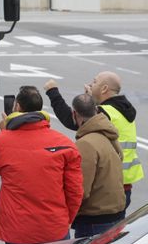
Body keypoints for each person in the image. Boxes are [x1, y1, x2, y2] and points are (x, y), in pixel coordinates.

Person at [0, 85, 83, 244]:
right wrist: (64, 220)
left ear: (17, 107)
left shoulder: (2, 141)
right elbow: (75, 191)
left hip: (18, 230)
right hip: (54, 228)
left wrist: (4, 132)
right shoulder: (64, 143)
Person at [45, 73, 143, 208]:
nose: (90, 84)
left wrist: (53, 92)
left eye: (95, 82)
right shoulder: (123, 109)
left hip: (108, 185)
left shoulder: (105, 112)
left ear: (104, 89)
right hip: (123, 184)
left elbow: (72, 120)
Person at [70, 94, 126, 238]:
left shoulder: (85, 143)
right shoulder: (108, 134)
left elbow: (81, 189)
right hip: (115, 213)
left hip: (95, 220)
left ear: (75, 114)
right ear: (96, 110)